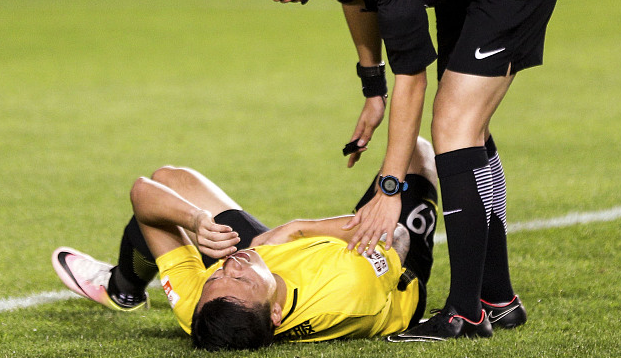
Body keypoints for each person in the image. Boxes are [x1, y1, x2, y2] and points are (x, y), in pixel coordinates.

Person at [225, 0, 565, 340]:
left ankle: (466, 315)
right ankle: (498, 299)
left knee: (454, 126)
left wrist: (389, 189)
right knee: (467, 130)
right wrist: (372, 89)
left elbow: (413, 75)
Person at [52, 138, 441, 349]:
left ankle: (122, 287)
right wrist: (298, 230)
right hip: (394, 276)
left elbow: (144, 196)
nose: (228, 265)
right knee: (415, 151)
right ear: (276, 313)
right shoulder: (347, 287)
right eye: (239, 278)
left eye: (215, 275)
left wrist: (195, 221)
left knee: (169, 185)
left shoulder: (199, 308)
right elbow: (395, 235)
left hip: (274, 259)